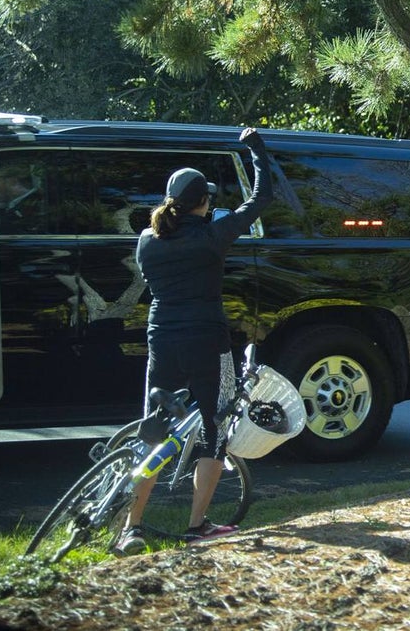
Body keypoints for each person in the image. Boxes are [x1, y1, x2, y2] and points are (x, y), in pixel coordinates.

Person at [115, 127, 274, 555]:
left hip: (161, 338)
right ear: (203, 202)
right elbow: (260, 200)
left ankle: (132, 526)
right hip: (207, 340)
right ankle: (197, 524)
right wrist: (256, 150)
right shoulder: (211, 236)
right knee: (213, 430)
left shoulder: (147, 240)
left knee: (154, 431)